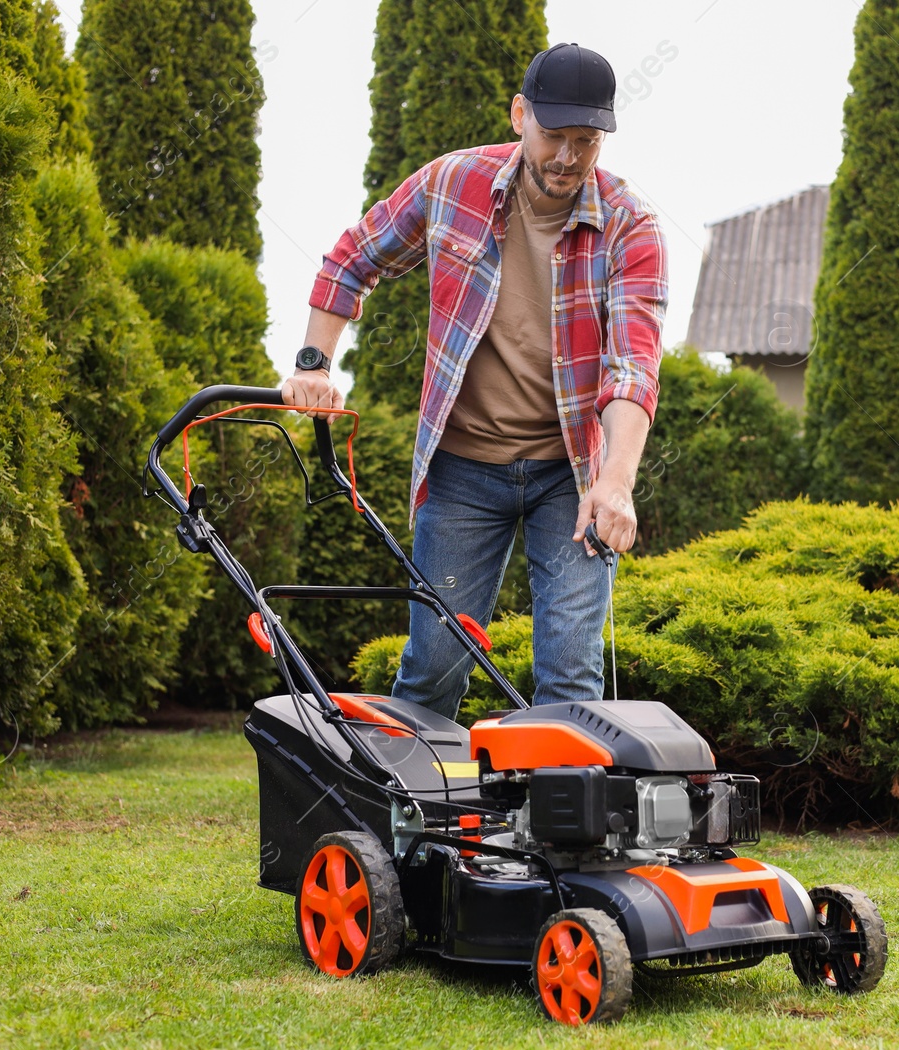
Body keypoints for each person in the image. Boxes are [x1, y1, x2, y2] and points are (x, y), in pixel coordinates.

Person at [282, 43, 668, 719]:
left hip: (569, 477)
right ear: (520, 116)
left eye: (587, 141)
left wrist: (616, 481)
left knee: (571, 678)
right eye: (554, 136)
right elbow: (351, 260)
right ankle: (409, 825)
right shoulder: (450, 185)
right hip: (463, 469)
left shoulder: (630, 226)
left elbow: (633, 367)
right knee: (433, 666)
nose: (567, 158)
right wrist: (314, 362)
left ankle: (560, 827)